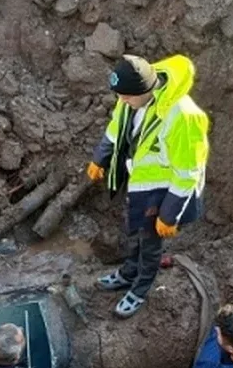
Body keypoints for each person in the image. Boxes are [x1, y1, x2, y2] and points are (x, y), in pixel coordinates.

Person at [87, 53, 210, 318]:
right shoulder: (130, 98)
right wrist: (101, 157)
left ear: (146, 89)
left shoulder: (183, 117)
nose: (121, 102)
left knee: (150, 241)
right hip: (139, 184)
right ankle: (128, 271)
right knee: (134, 230)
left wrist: (169, 214)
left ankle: (140, 288)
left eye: (127, 97)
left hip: (163, 191)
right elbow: (115, 128)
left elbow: (188, 172)